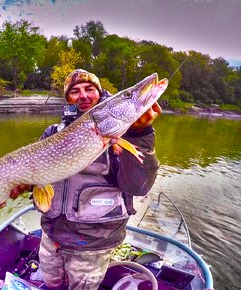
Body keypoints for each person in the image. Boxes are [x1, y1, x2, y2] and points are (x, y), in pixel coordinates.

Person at [12, 69, 161, 289]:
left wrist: (141, 135)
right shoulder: (53, 132)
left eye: (89, 89)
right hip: (52, 236)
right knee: (52, 284)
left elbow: (139, 187)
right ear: (68, 99)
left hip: (92, 245)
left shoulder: (122, 135)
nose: (83, 95)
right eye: (75, 91)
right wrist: (21, 184)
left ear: (100, 94)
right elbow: (39, 175)